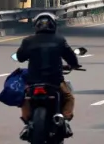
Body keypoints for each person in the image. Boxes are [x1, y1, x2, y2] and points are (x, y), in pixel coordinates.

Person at [15, 12, 80, 140]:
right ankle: (65, 119)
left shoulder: (28, 41)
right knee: (69, 97)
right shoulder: (60, 40)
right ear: (53, 25)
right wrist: (74, 65)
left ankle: (27, 122)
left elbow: (20, 57)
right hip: (55, 81)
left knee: (24, 97)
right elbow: (71, 57)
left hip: (34, 81)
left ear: (36, 26)